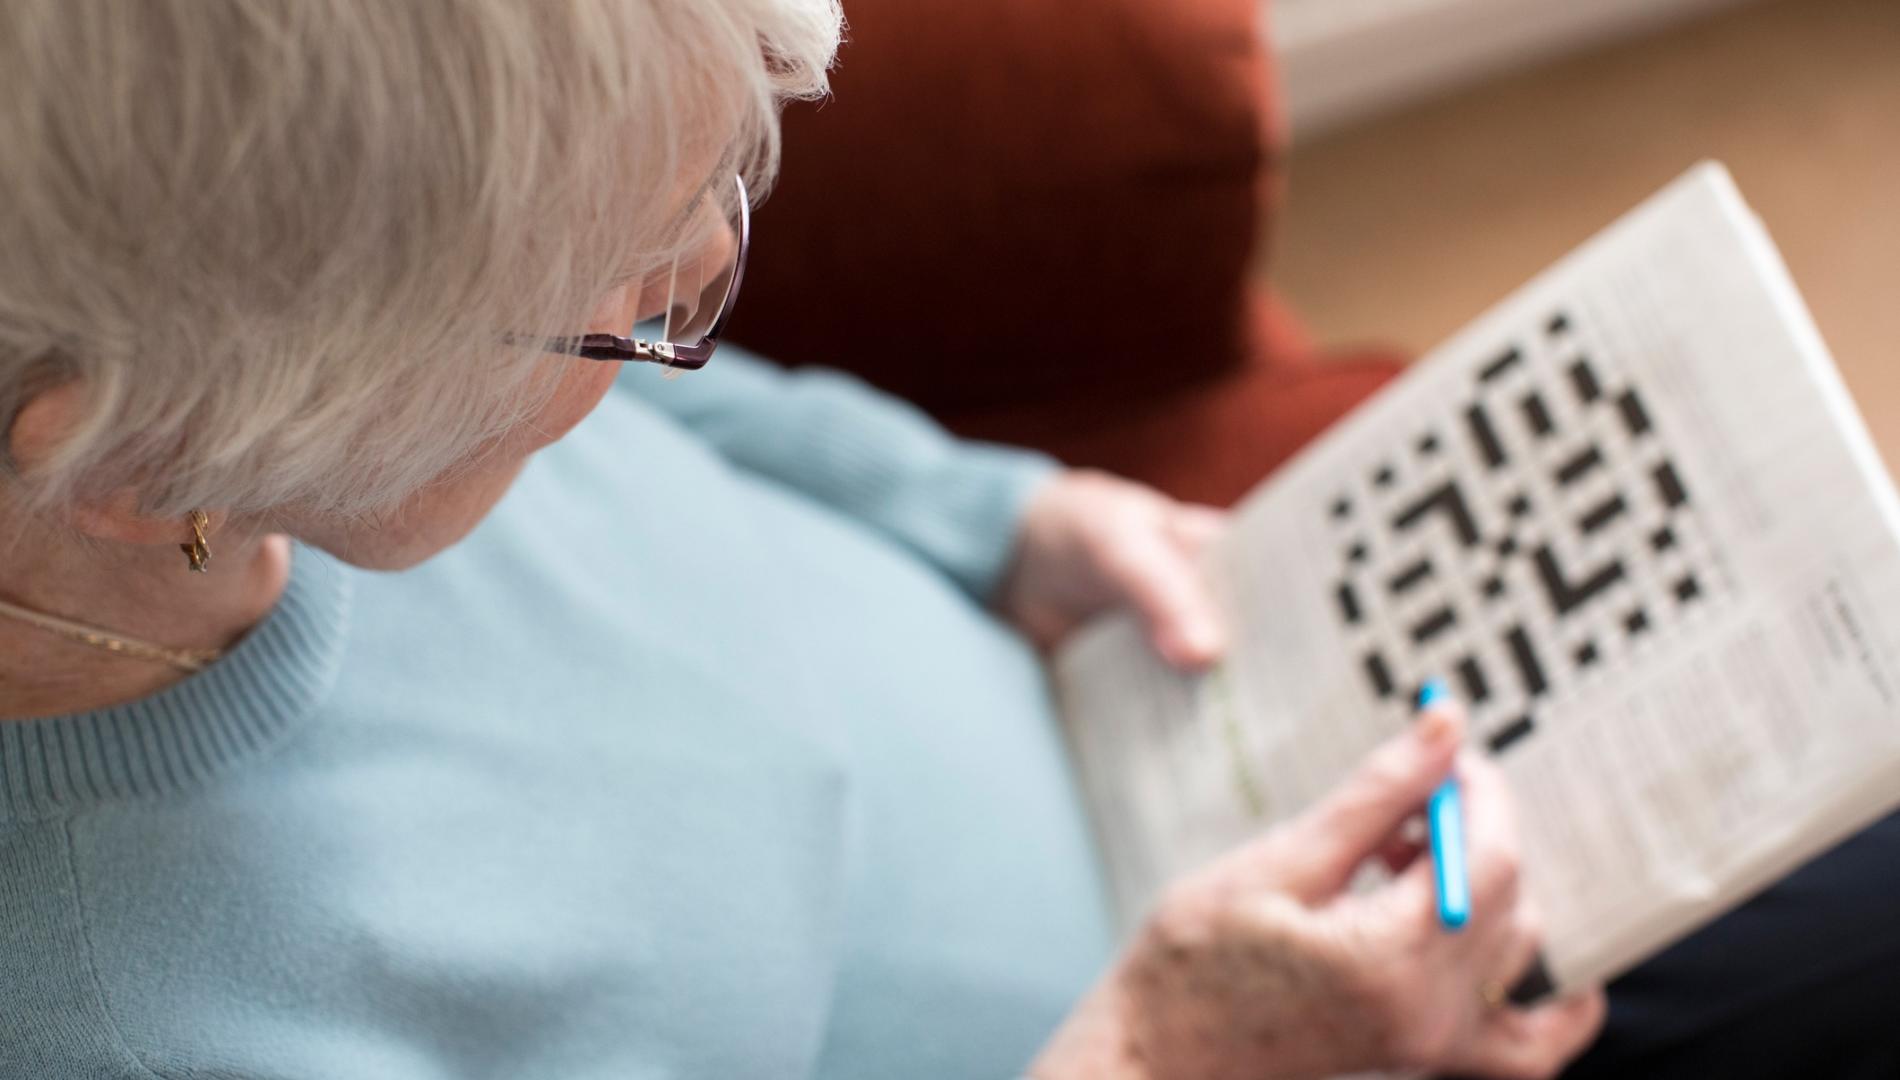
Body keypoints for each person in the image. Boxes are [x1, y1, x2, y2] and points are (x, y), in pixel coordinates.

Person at [0, 2, 1617, 1077]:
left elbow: (693, 412)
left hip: (1140, 744)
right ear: (150, 459)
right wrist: (1164, 1052)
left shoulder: (312, 421)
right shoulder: (145, 1025)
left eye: (705, 194)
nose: (703, 265)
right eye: (635, 308)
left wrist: (995, 516)